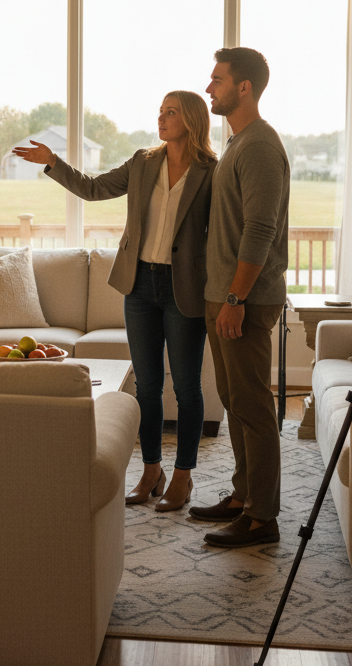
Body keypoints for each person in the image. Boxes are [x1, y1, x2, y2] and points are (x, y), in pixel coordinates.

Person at [12, 91, 216, 511]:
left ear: (192, 119)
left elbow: (222, 235)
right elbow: (92, 188)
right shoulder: (143, 162)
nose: (161, 118)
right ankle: (151, 470)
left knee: (188, 387)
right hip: (140, 285)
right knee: (146, 386)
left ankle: (183, 477)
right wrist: (53, 162)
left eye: (170, 112)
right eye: (160, 111)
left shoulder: (212, 171)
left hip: (185, 292)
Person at [190, 48, 290, 548]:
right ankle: (243, 496)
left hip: (243, 299)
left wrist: (235, 298)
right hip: (223, 296)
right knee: (234, 400)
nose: (209, 88)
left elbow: (260, 229)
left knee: (252, 405)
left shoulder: (258, 146)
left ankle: (262, 518)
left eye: (217, 80)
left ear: (243, 87)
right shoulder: (236, 143)